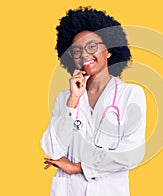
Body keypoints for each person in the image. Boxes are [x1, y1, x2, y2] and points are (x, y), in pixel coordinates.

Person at [40, 6, 146, 196]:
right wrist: (73, 100)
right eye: (77, 50)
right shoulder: (65, 98)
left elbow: (131, 155)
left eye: (92, 46)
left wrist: (79, 167)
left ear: (109, 51)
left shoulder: (130, 95)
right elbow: (52, 149)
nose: (84, 55)